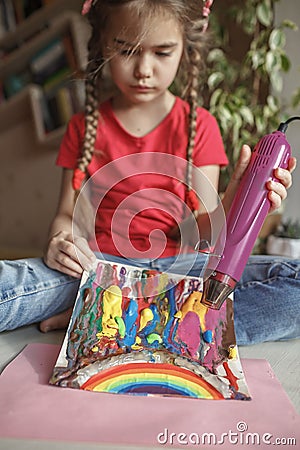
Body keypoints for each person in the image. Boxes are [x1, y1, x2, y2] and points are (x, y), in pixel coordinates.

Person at [0, 0, 299, 346]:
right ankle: (160, 322)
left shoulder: (201, 126)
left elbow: (198, 233)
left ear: (185, 50)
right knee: (14, 281)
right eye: (127, 51)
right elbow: (67, 215)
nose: (144, 69)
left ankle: (110, 316)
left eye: (162, 53)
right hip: (98, 270)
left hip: (180, 271)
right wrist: (60, 242)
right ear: (102, 46)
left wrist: (234, 197)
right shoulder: (83, 126)